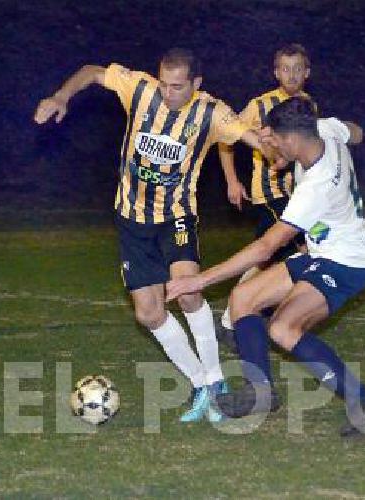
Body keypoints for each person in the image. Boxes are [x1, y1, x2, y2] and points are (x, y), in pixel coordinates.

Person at [33, 48, 281, 422]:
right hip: (132, 219)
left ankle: (217, 383)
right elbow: (92, 70)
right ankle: (199, 384)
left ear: (197, 85)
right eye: (164, 84)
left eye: (178, 87)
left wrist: (282, 148)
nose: (168, 93)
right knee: (148, 313)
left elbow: (253, 139)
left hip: (176, 218)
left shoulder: (212, 112)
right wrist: (61, 96)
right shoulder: (141, 89)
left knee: (188, 290)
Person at [166, 97, 365, 436]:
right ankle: (261, 394)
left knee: (283, 329)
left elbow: (266, 247)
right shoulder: (324, 130)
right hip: (324, 251)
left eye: (278, 140)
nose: (273, 146)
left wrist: (199, 281)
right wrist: (289, 152)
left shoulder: (317, 187)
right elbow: (355, 132)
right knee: (242, 299)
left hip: (348, 262)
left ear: (294, 137)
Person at [215, 43, 315, 348]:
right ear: (275, 72)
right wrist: (232, 180)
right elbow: (225, 136)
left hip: (299, 195)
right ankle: (277, 314)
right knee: (305, 248)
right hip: (270, 194)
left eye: (298, 68)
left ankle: (234, 316)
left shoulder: (309, 105)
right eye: (286, 68)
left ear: (307, 73)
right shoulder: (260, 105)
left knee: (269, 257)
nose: (292, 74)